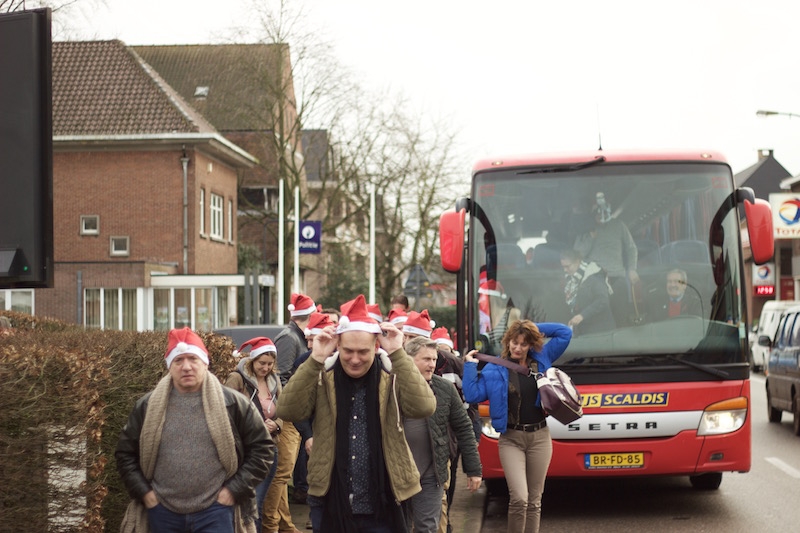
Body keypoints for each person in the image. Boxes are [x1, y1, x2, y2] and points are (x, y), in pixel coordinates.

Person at [277, 294, 436, 533]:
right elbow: (288, 409)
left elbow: (424, 406)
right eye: (348, 350)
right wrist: (316, 358)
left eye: (363, 351)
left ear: (375, 346)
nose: (354, 359)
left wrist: (398, 354)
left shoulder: (391, 375)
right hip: (329, 499)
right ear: (337, 345)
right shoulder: (322, 376)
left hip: (384, 503)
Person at [115, 327, 273, 533]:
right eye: (178, 361)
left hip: (216, 512)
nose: (186, 367)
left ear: (205, 363)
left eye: (193, 359)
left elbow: (263, 449)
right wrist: (145, 494)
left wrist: (234, 491)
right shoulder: (147, 406)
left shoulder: (233, 403)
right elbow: (124, 454)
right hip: (162, 512)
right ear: (169, 366)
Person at [462, 319, 572, 533]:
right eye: (514, 341)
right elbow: (472, 394)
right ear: (508, 342)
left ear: (531, 344)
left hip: (540, 437)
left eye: (523, 343)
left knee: (534, 501)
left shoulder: (542, 359)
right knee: (519, 498)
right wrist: (469, 365)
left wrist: (529, 328)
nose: (517, 347)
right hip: (511, 439)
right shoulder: (495, 369)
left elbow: (564, 333)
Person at [403, 336, 482, 533]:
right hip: (398, 474)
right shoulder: (392, 385)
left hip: (432, 473)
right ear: (409, 359)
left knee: (427, 528)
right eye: (426, 359)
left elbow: (464, 426)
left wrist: (473, 469)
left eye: (434, 359)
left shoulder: (444, 389)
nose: (432, 365)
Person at [268, 293, 316, 533]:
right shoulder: (289, 338)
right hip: (289, 417)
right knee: (281, 473)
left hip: (295, 414)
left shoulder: (294, 336)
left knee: (284, 472)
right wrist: (296, 407)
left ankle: (285, 524)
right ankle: (271, 524)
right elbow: (282, 377)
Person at [225, 337, 282, 533]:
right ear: (252, 360)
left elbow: (282, 411)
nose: (265, 368)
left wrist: (277, 424)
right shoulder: (237, 378)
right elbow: (227, 412)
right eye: (261, 363)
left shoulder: (274, 381)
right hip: (246, 451)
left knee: (259, 502)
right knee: (249, 503)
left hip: (269, 448)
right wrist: (253, 427)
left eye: (269, 364)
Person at [573, 192, 639, 326]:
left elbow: (631, 248)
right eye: (597, 213)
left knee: (621, 317)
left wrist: (632, 269)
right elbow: (577, 255)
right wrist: (590, 237)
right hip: (594, 279)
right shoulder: (585, 229)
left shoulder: (619, 225)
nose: (601, 216)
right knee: (595, 318)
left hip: (616, 277)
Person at [560, 249, 616, 335]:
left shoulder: (595, 277)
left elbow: (603, 301)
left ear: (577, 262)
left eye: (567, 266)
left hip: (602, 332)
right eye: (563, 267)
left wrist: (582, 316)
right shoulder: (571, 281)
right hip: (585, 332)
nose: (565, 270)